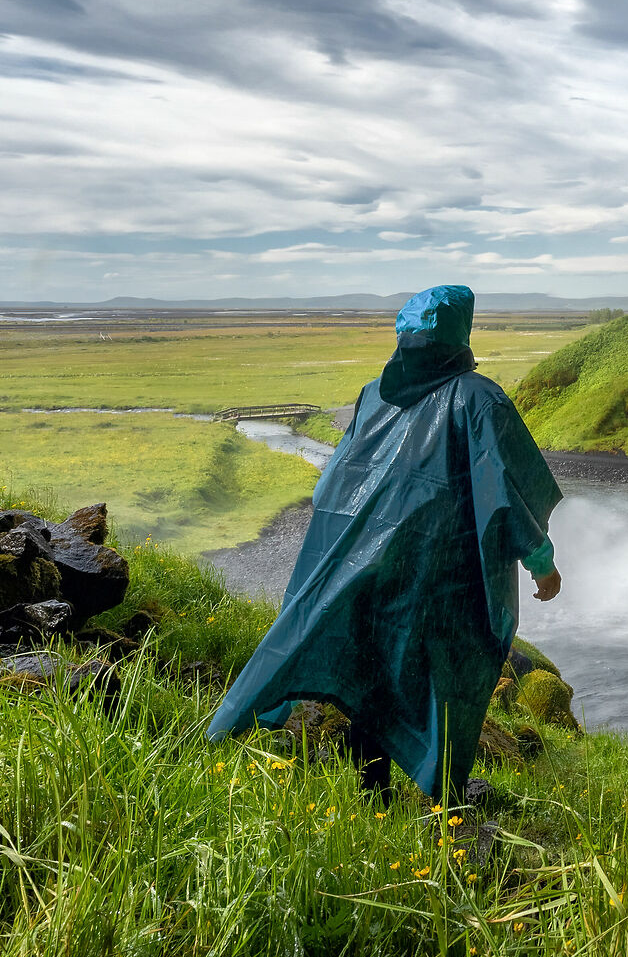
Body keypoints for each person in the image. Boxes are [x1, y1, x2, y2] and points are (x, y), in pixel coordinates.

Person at [207, 284, 563, 800]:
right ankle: (441, 801)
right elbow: (508, 494)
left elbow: (336, 485)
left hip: (368, 569)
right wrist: (542, 563)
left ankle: (371, 795)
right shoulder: (480, 399)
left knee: (373, 670)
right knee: (443, 681)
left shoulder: (375, 393)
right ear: (461, 332)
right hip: (444, 582)